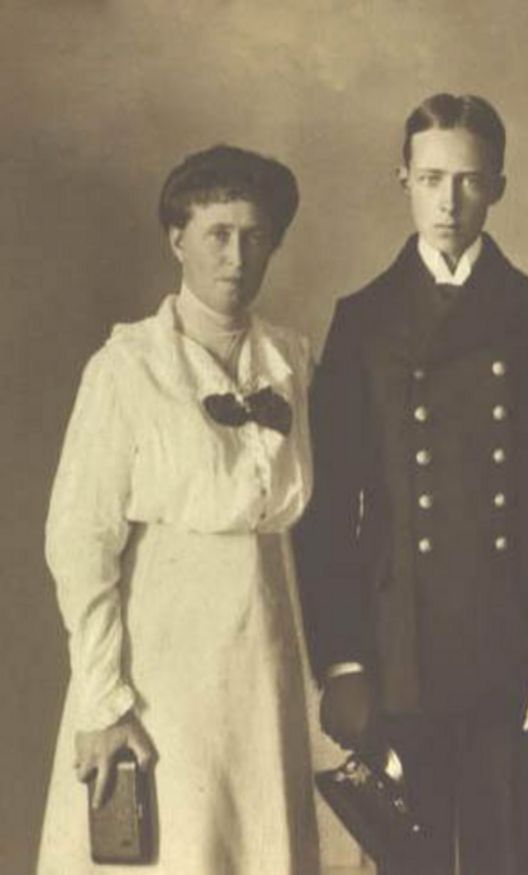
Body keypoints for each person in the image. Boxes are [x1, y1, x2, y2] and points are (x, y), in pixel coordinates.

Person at [293, 93, 528, 875]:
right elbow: (329, 510)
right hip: (399, 650)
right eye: (430, 179)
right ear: (404, 180)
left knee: (505, 860)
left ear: (498, 186)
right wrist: (342, 661)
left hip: (512, 645)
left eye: (468, 180)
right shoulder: (364, 319)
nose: (448, 202)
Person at [37, 145, 320, 874]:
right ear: (177, 240)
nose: (237, 256)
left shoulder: (291, 362)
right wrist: (104, 701)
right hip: (161, 665)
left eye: (255, 236)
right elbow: (79, 543)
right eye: (217, 233)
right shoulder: (128, 367)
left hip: (262, 658)